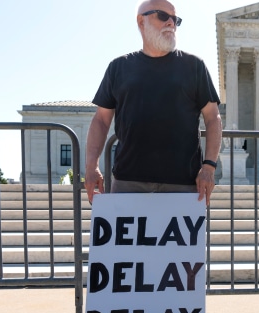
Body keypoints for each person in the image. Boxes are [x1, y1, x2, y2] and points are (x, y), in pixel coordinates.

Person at [84, 0, 222, 206]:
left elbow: (213, 118)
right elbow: (101, 120)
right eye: (163, 16)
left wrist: (209, 167)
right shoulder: (118, 67)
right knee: (126, 241)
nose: (171, 23)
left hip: (183, 183)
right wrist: (91, 167)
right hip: (128, 183)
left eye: (175, 19)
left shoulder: (194, 66)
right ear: (141, 21)